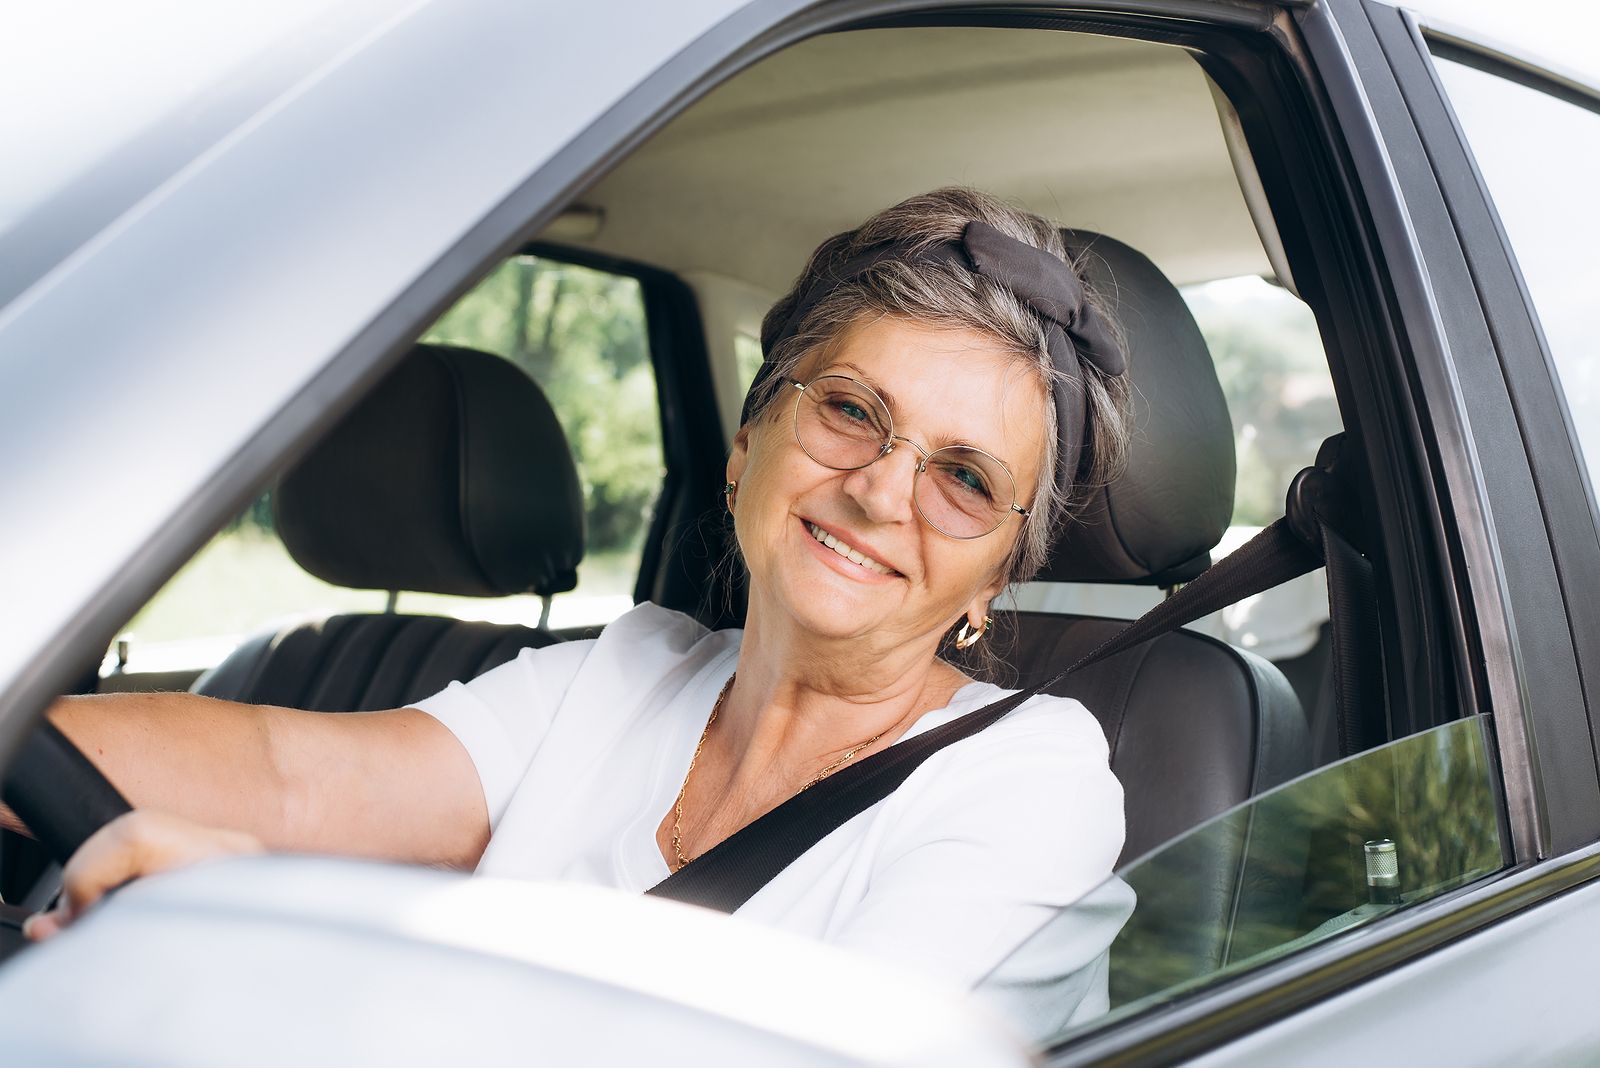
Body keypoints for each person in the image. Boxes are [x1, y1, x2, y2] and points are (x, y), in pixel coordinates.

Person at [1, 187, 1133, 1040]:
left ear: (994, 577)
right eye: (850, 410)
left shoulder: (1034, 782)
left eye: (965, 478)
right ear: (748, 446)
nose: (884, 491)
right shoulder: (629, 671)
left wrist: (269, 961)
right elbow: (287, 774)